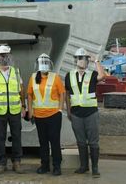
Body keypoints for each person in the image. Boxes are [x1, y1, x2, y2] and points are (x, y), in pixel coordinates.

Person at [65, 48, 105, 178]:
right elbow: (67, 94)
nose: (82, 61)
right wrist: (68, 110)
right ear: (75, 60)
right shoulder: (69, 75)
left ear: (88, 61)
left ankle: (95, 167)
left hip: (91, 113)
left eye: (84, 58)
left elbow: (102, 76)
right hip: (76, 114)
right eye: (79, 58)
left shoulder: (92, 74)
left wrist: (96, 61)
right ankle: (83, 166)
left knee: (93, 142)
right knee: (80, 142)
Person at [0, 45, 25, 174]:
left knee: (17, 136)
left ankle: (17, 162)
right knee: (0, 137)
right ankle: (2, 163)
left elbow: (21, 89)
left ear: (9, 56)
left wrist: (23, 106)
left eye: (5, 55)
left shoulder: (16, 71)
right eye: (1, 55)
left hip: (15, 110)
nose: (3, 58)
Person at [27, 53, 65, 176]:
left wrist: (60, 109)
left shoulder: (55, 77)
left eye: (45, 62)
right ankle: (44, 165)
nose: (43, 65)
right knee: (43, 142)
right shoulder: (33, 77)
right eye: (41, 62)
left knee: (54, 141)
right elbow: (29, 95)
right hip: (39, 116)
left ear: (49, 64)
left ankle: (57, 166)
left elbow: (62, 94)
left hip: (53, 115)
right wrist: (30, 111)